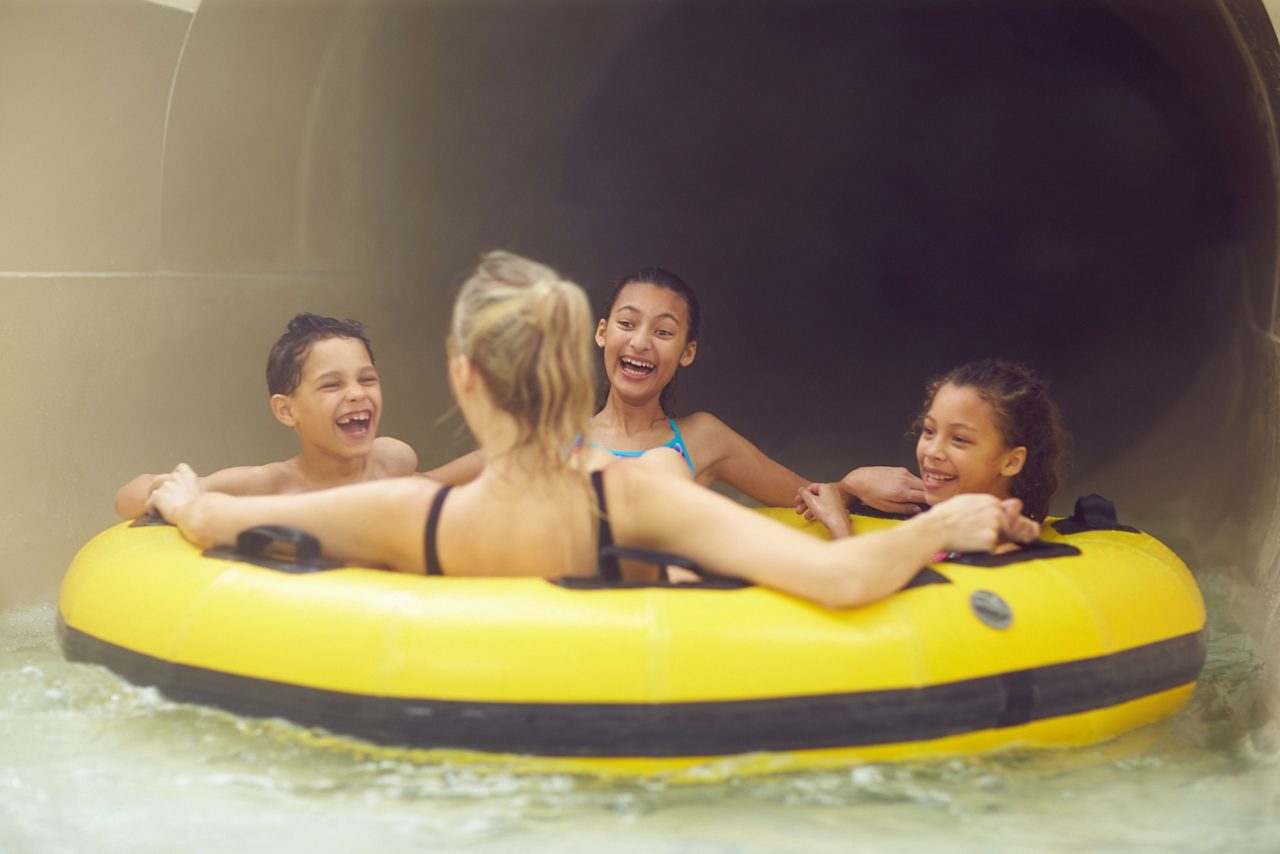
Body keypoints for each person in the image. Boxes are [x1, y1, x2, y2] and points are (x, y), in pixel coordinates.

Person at [149, 252, 1040, 609]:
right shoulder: (643, 492)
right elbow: (841, 583)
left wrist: (185, 495)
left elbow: (213, 523)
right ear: (588, 353)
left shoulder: (394, 514)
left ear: (463, 378)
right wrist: (945, 523)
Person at [426, 266, 925, 514]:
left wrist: (854, 483)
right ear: (602, 333)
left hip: (668, 636)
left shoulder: (703, 439)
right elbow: (430, 487)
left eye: (663, 332)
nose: (640, 342)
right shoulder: (550, 434)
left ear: (687, 352)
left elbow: (804, 498)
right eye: (627, 324)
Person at [114, 313, 418, 518]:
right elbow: (126, 501)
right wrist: (162, 485)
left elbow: (443, 487)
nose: (356, 394)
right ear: (286, 410)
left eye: (367, 379)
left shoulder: (392, 459)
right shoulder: (269, 485)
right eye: (331, 385)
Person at [798, 358, 1065, 540]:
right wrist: (847, 490)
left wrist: (837, 524)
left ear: (1011, 461)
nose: (932, 451)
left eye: (959, 439)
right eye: (929, 431)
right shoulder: (950, 521)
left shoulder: (1000, 539)